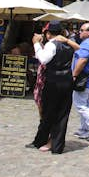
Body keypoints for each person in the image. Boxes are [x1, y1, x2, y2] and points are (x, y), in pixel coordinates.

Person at [31, 22, 75, 154]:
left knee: (48, 113)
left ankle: (41, 140)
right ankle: (57, 145)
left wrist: (36, 44)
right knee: (62, 114)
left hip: (53, 81)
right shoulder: (68, 43)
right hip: (66, 79)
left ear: (49, 34)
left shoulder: (51, 44)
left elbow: (43, 59)